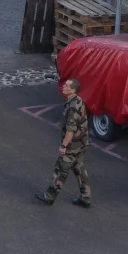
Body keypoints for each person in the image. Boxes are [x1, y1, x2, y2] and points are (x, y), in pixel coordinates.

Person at [36, 78, 91, 208]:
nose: (63, 87)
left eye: (66, 86)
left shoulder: (72, 106)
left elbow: (70, 130)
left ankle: (50, 196)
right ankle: (86, 197)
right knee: (79, 169)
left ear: (73, 90)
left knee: (60, 170)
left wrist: (63, 146)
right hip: (82, 143)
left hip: (72, 145)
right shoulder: (78, 101)